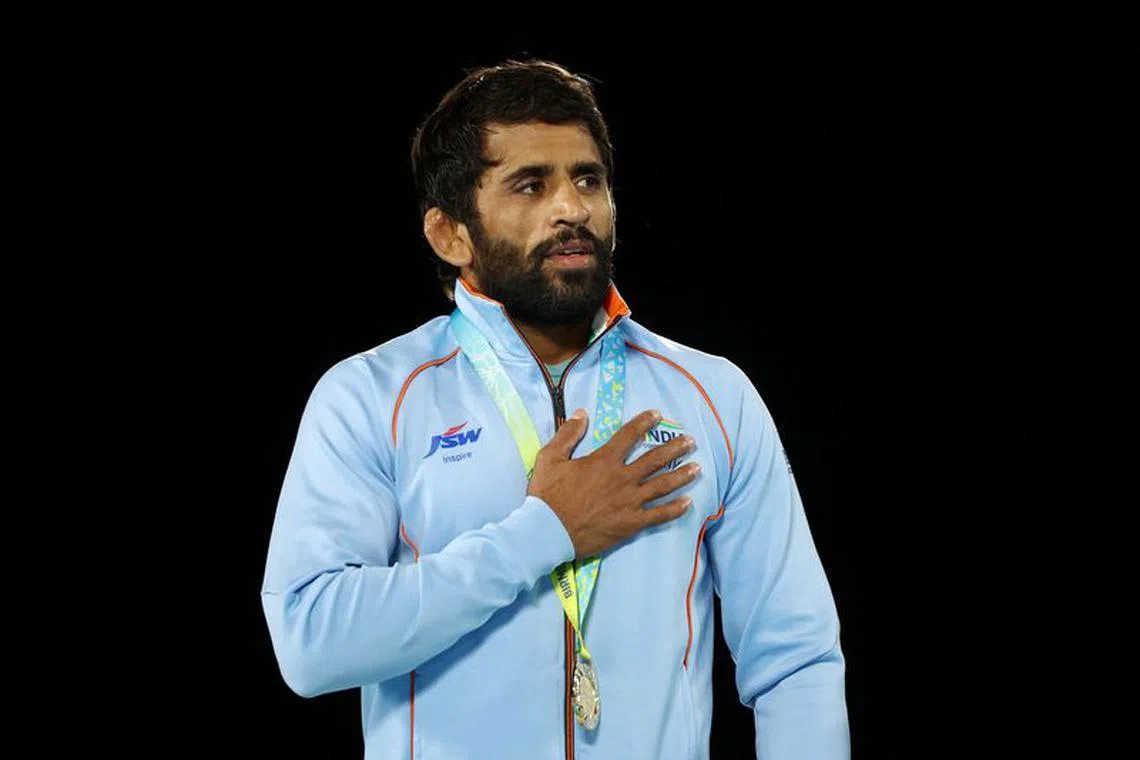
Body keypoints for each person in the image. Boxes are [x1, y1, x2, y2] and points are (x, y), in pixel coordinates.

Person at [260, 59, 849, 759]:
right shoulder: (370, 397)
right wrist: (546, 532)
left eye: (588, 179)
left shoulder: (714, 396)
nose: (572, 208)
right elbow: (311, 642)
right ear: (451, 234)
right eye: (531, 185)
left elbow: (796, 660)